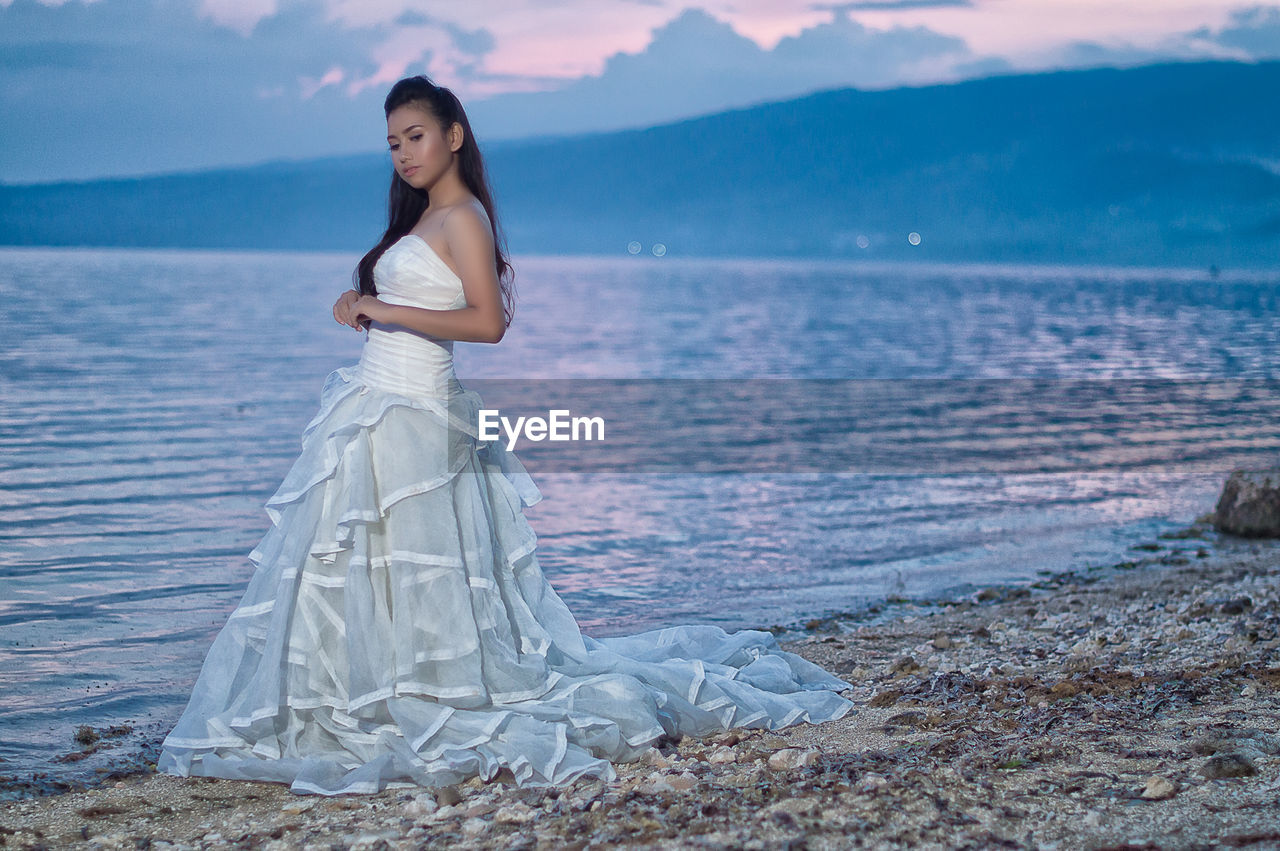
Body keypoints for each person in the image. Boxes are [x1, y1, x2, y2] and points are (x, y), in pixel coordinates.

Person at [156, 74, 855, 797]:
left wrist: (383, 307)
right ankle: (360, 693)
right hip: (374, 405)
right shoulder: (420, 219)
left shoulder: (464, 217)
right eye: (393, 142)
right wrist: (361, 306)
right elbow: (410, 305)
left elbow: (489, 323)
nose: (403, 152)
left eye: (416, 136)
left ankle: (420, 698)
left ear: (454, 134)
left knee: (415, 565)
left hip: (418, 414)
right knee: (360, 569)